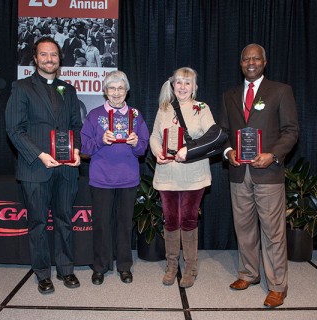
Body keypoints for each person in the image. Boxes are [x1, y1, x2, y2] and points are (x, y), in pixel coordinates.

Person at [219, 44, 299, 308]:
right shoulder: (229, 95)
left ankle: (277, 286)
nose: (250, 62)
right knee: (243, 228)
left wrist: (273, 155)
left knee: (273, 232)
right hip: (239, 172)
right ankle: (249, 274)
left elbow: (290, 131)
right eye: (245, 59)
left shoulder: (280, 91)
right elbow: (223, 131)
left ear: (264, 62)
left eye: (256, 58)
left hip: (269, 172)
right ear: (240, 63)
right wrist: (228, 150)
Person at [5, 37, 82, 294]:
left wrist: (77, 150)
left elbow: (75, 126)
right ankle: (42, 273)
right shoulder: (22, 87)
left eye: (54, 55)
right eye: (44, 55)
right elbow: (14, 130)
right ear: (35, 58)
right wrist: (39, 154)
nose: (50, 59)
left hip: (66, 168)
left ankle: (65, 269)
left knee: (64, 220)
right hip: (35, 167)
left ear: (60, 59)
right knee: (37, 222)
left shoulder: (68, 90)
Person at [80, 70, 149, 285]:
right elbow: (83, 149)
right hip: (101, 178)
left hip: (128, 178)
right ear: (105, 91)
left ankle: (124, 266)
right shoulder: (94, 115)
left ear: (127, 92)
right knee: (101, 224)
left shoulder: (135, 116)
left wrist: (136, 142)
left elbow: (143, 149)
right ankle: (100, 266)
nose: (116, 93)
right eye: (112, 88)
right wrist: (101, 139)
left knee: (124, 225)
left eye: (121, 88)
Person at [149, 67, 215, 288]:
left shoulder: (202, 108)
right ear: (172, 85)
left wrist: (189, 151)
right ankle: (171, 265)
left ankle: (190, 267)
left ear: (194, 87)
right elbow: (155, 136)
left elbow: (212, 138)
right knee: (170, 219)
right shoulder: (164, 108)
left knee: (188, 219)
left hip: (193, 174)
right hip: (167, 174)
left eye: (188, 83)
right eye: (179, 82)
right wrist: (157, 151)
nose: (183, 87)